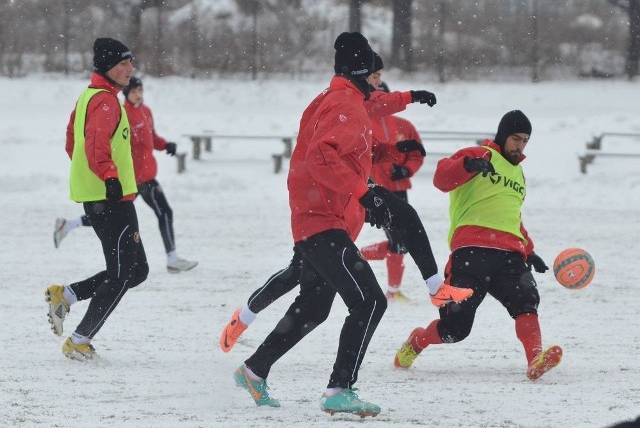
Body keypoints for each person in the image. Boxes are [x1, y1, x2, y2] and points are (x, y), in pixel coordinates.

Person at [230, 32, 473, 417]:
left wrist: (408, 100)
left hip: (323, 219)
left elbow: (373, 110)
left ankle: (254, 370)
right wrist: (363, 193)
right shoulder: (344, 104)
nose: (380, 82)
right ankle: (339, 389)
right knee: (370, 302)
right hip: (322, 222)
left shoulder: (345, 98)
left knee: (313, 308)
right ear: (362, 73)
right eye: (375, 74)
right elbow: (321, 156)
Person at [393, 110, 563, 381]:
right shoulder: (478, 153)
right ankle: (418, 340)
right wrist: (468, 166)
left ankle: (535, 359)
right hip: (471, 251)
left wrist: (529, 251)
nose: (520, 146)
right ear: (503, 135)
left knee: (526, 299)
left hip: (510, 254)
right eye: (516, 138)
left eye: (525, 141)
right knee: (455, 329)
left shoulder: (519, 174)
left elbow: (512, 217)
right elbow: (441, 179)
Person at [45, 38, 149, 361]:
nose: (129, 69)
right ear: (107, 68)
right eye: (122, 64)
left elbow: (71, 142)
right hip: (111, 199)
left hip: (104, 198)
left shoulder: (90, 96)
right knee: (121, 276)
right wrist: (108, 177)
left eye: (130, 62)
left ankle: (66, 295)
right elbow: (92, 145)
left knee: (137, 270)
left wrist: (93, 177)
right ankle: (79, 340)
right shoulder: (104, 102)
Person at [53, 77, 197, 273]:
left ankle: (68, 225)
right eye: (134, 91)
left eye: (140, 90)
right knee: (164, 212)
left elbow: (152, 138)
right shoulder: (122, 114)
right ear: (126, 93)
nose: (138, 94)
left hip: (144, 174)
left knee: (107, 214)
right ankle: (172, 259)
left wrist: (165, 145)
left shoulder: (145, 112)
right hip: (135, 177)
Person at [360, 77, 425, 301]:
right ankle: (391, 289)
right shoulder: (363, 124)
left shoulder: (404, 126)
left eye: (384, 97)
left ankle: (360, 258)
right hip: (375, 191)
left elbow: (417, 153)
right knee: (399, 241)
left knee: (401, 241)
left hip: (399, 191)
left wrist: (406, 170)